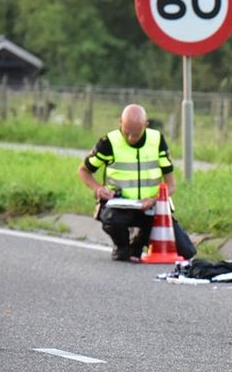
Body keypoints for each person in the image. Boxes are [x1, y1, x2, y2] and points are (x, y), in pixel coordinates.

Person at [77, 104, 196, 262]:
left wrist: (154, 199)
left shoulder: (157, 140)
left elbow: (171, 185)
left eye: (137, 133)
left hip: (151, 208)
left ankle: (138, 242)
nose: (131, 138)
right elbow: (84, 171)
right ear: (120, 122)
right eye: (127, 133)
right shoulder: (108, 142)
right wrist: (98, 188)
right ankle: (122, 247)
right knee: (113, 223)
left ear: (145, 125)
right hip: (120, 209)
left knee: (186, 252)